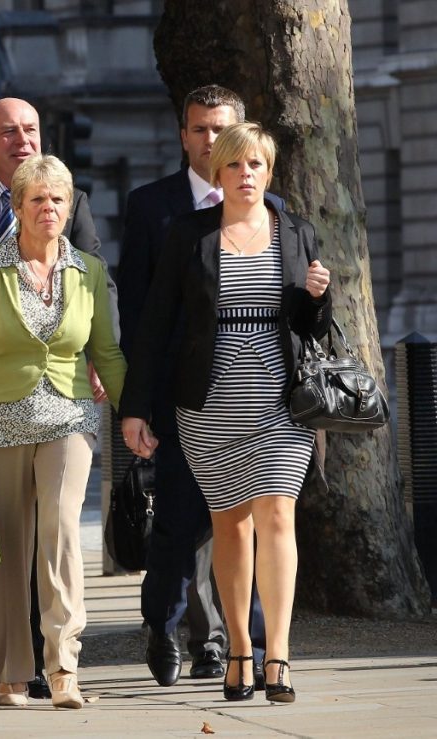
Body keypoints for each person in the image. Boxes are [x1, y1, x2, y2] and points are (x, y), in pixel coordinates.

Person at [120, 122, 332, 703]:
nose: (245, 175)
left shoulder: (296, 231)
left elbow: (312, 330)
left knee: (279, 518)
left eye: (256, 165)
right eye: (234, 165)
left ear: (269, 171)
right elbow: (156, 326)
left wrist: (319, 296)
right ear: (219, 173)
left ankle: (278, 656)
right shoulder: (190, 236)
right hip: (210, 404)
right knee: (230, 527)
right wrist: (136, 407)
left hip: (278, 401)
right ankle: (238, 648)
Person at [0, 96, 118, 699]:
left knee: (60, 536)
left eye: (59, 200)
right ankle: (10, 669)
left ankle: (63, 666)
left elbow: (107, 352)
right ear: (17, 207)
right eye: (38, 200)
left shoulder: (87, 270)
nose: (50, 210)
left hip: (68, 415)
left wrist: (135, 411)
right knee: (6, 550)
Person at [116, 85, 274, 687]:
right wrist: (139, 404)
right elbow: (139, 313)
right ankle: (163, 624)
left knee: (252, 525)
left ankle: (246, 646)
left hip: (258, 403)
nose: (211, 141)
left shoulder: (275, 211)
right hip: (182, 402)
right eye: (200, 130)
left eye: (223, 131)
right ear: (183, 135)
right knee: (179, 526)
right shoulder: (153, 207)